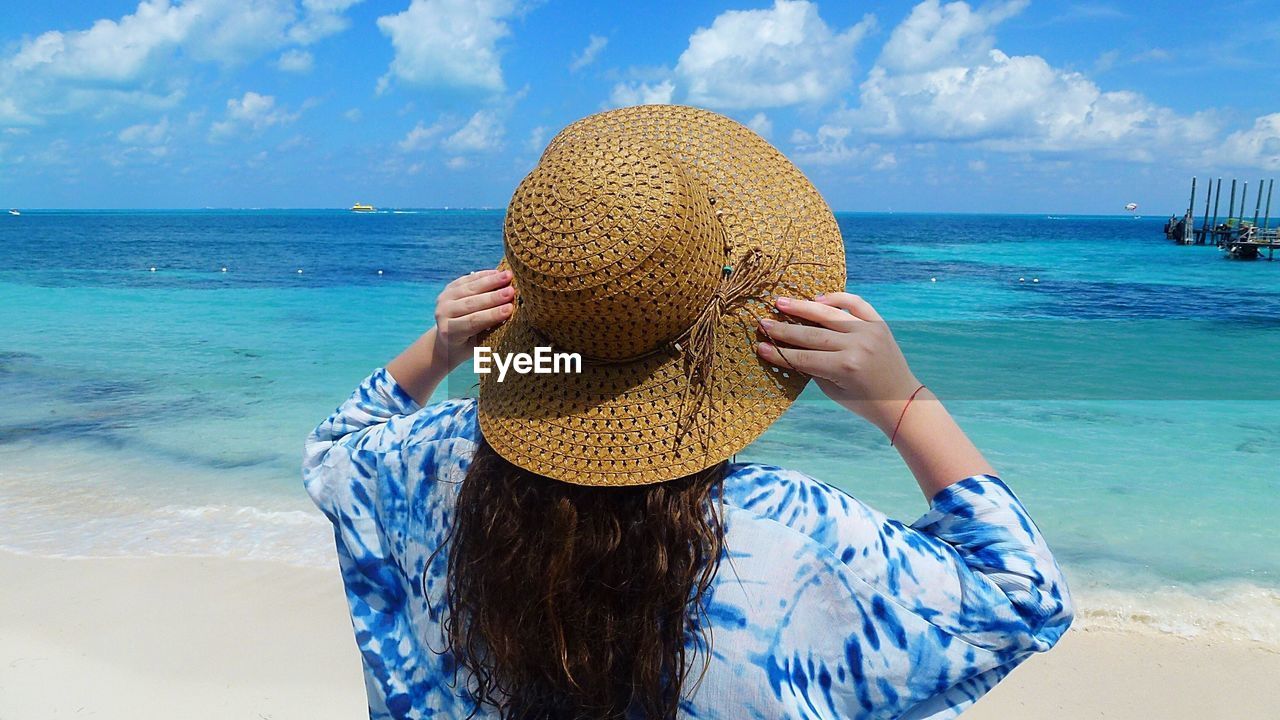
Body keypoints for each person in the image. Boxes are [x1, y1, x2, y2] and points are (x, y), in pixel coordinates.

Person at [304, 106, 1072, 720]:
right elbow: (1020, 596)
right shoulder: (793, 538)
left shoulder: (417, 464)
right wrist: (901, 400)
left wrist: (441, 350)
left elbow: (334, 446)